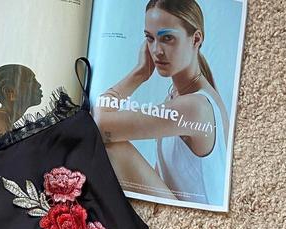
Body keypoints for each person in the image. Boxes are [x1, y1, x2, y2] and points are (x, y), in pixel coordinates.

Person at [94, 0, 229, 206]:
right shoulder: (177, 96)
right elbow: (164, 174)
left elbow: (99, 126)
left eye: (167, 38)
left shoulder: (195, 106)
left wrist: (139, 74)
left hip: (195, 217)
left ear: (196, 39)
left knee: (114, 148)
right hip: (176, 211)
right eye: (150, 38)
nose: (156, 50)